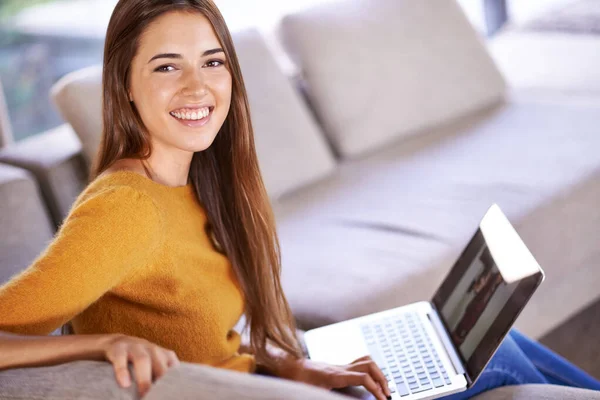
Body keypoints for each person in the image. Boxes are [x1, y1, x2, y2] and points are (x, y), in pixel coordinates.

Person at [0, 1, 599, 400]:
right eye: (166, 67)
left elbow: (217, 342)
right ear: (125, 87)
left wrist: (293, 364)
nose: (198, 86)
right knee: (495, 365)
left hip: (274, 384)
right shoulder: (124, 209)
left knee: (497, 343)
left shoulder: (196, 181)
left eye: (213, 62)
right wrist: (100, 343)